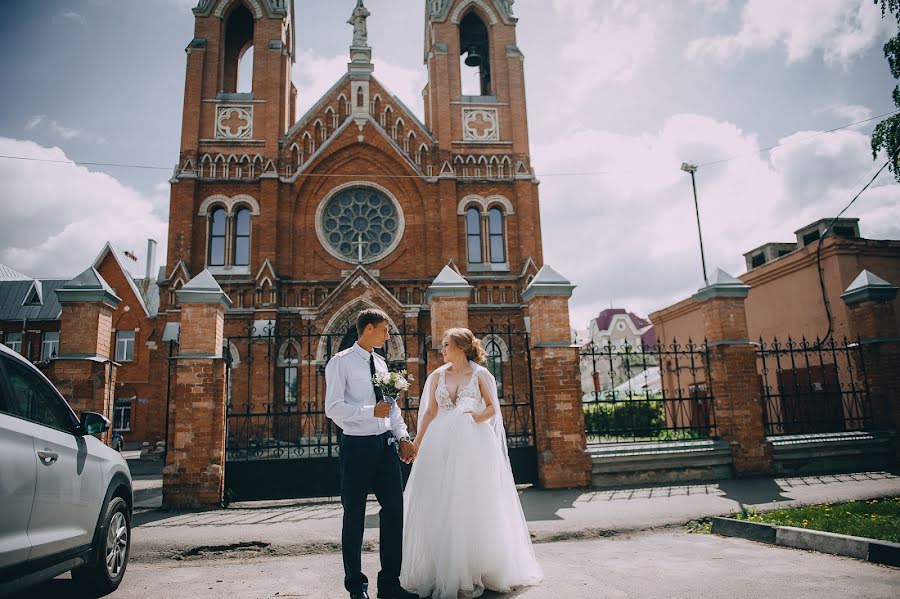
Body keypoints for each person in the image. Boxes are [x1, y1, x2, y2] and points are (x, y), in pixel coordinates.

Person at [400, 328, 543, 599]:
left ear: (462, 347)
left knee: (470, 503)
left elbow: (492, 408)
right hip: (439, 445)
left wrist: (472, 417)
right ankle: (446, 570)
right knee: (441, 503)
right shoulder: (437, 376)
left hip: (472, 445)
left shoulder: (480, 375)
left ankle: (474, 571)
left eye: (446, 345)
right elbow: (430, 411)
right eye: (441, 345)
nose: (441, 350)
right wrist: (416, 443)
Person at [325, 309, 420, 599]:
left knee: (394, 511)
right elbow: (332, 408)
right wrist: (369, 411)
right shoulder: (340, 363)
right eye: (383, 329)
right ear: (368, 329)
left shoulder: (381, 363)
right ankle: (357, 588)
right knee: (353, 516)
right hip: (357, 447)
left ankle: (389, 585)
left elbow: (392, 408)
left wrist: (403, 436)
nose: (387, 335)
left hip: (385, 446)